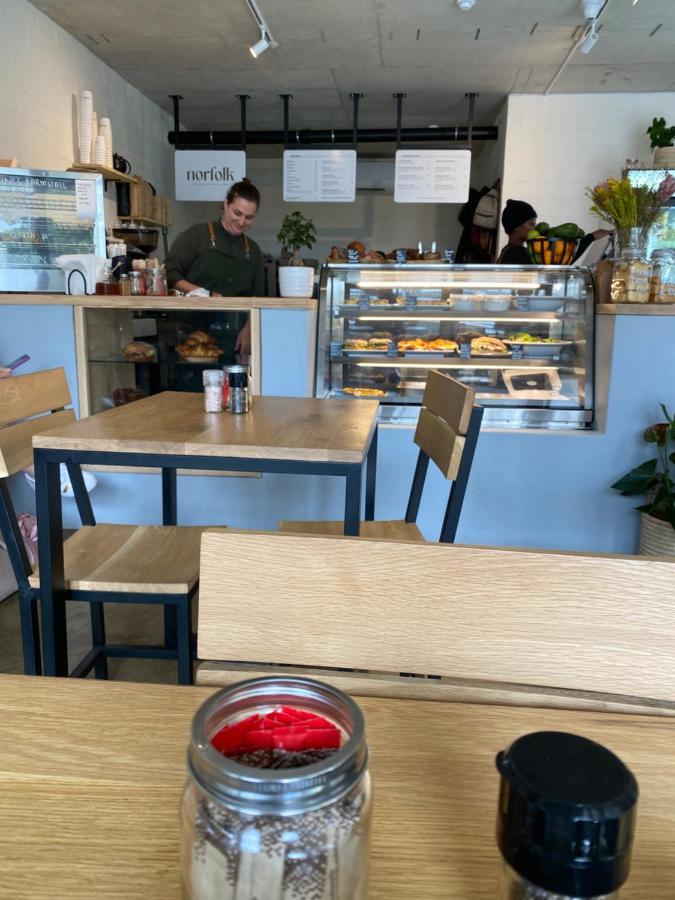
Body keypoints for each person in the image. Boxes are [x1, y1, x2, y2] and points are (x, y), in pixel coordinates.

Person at [165, 179, 265, 356]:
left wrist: (249, 330)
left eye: (249, 217)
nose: (242, 221)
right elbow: (170, 273)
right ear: (226, 204)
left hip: (235, 338)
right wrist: (204, 293)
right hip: (193, 335)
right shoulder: (196, 235)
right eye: (237, 213)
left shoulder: (253, 250)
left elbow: (258, 298)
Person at [496, 199, 537, 265]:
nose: (534, 228)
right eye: (531, 224)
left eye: (534, 224)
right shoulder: (517, 253)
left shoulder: (507, 251)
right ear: (516, 227)